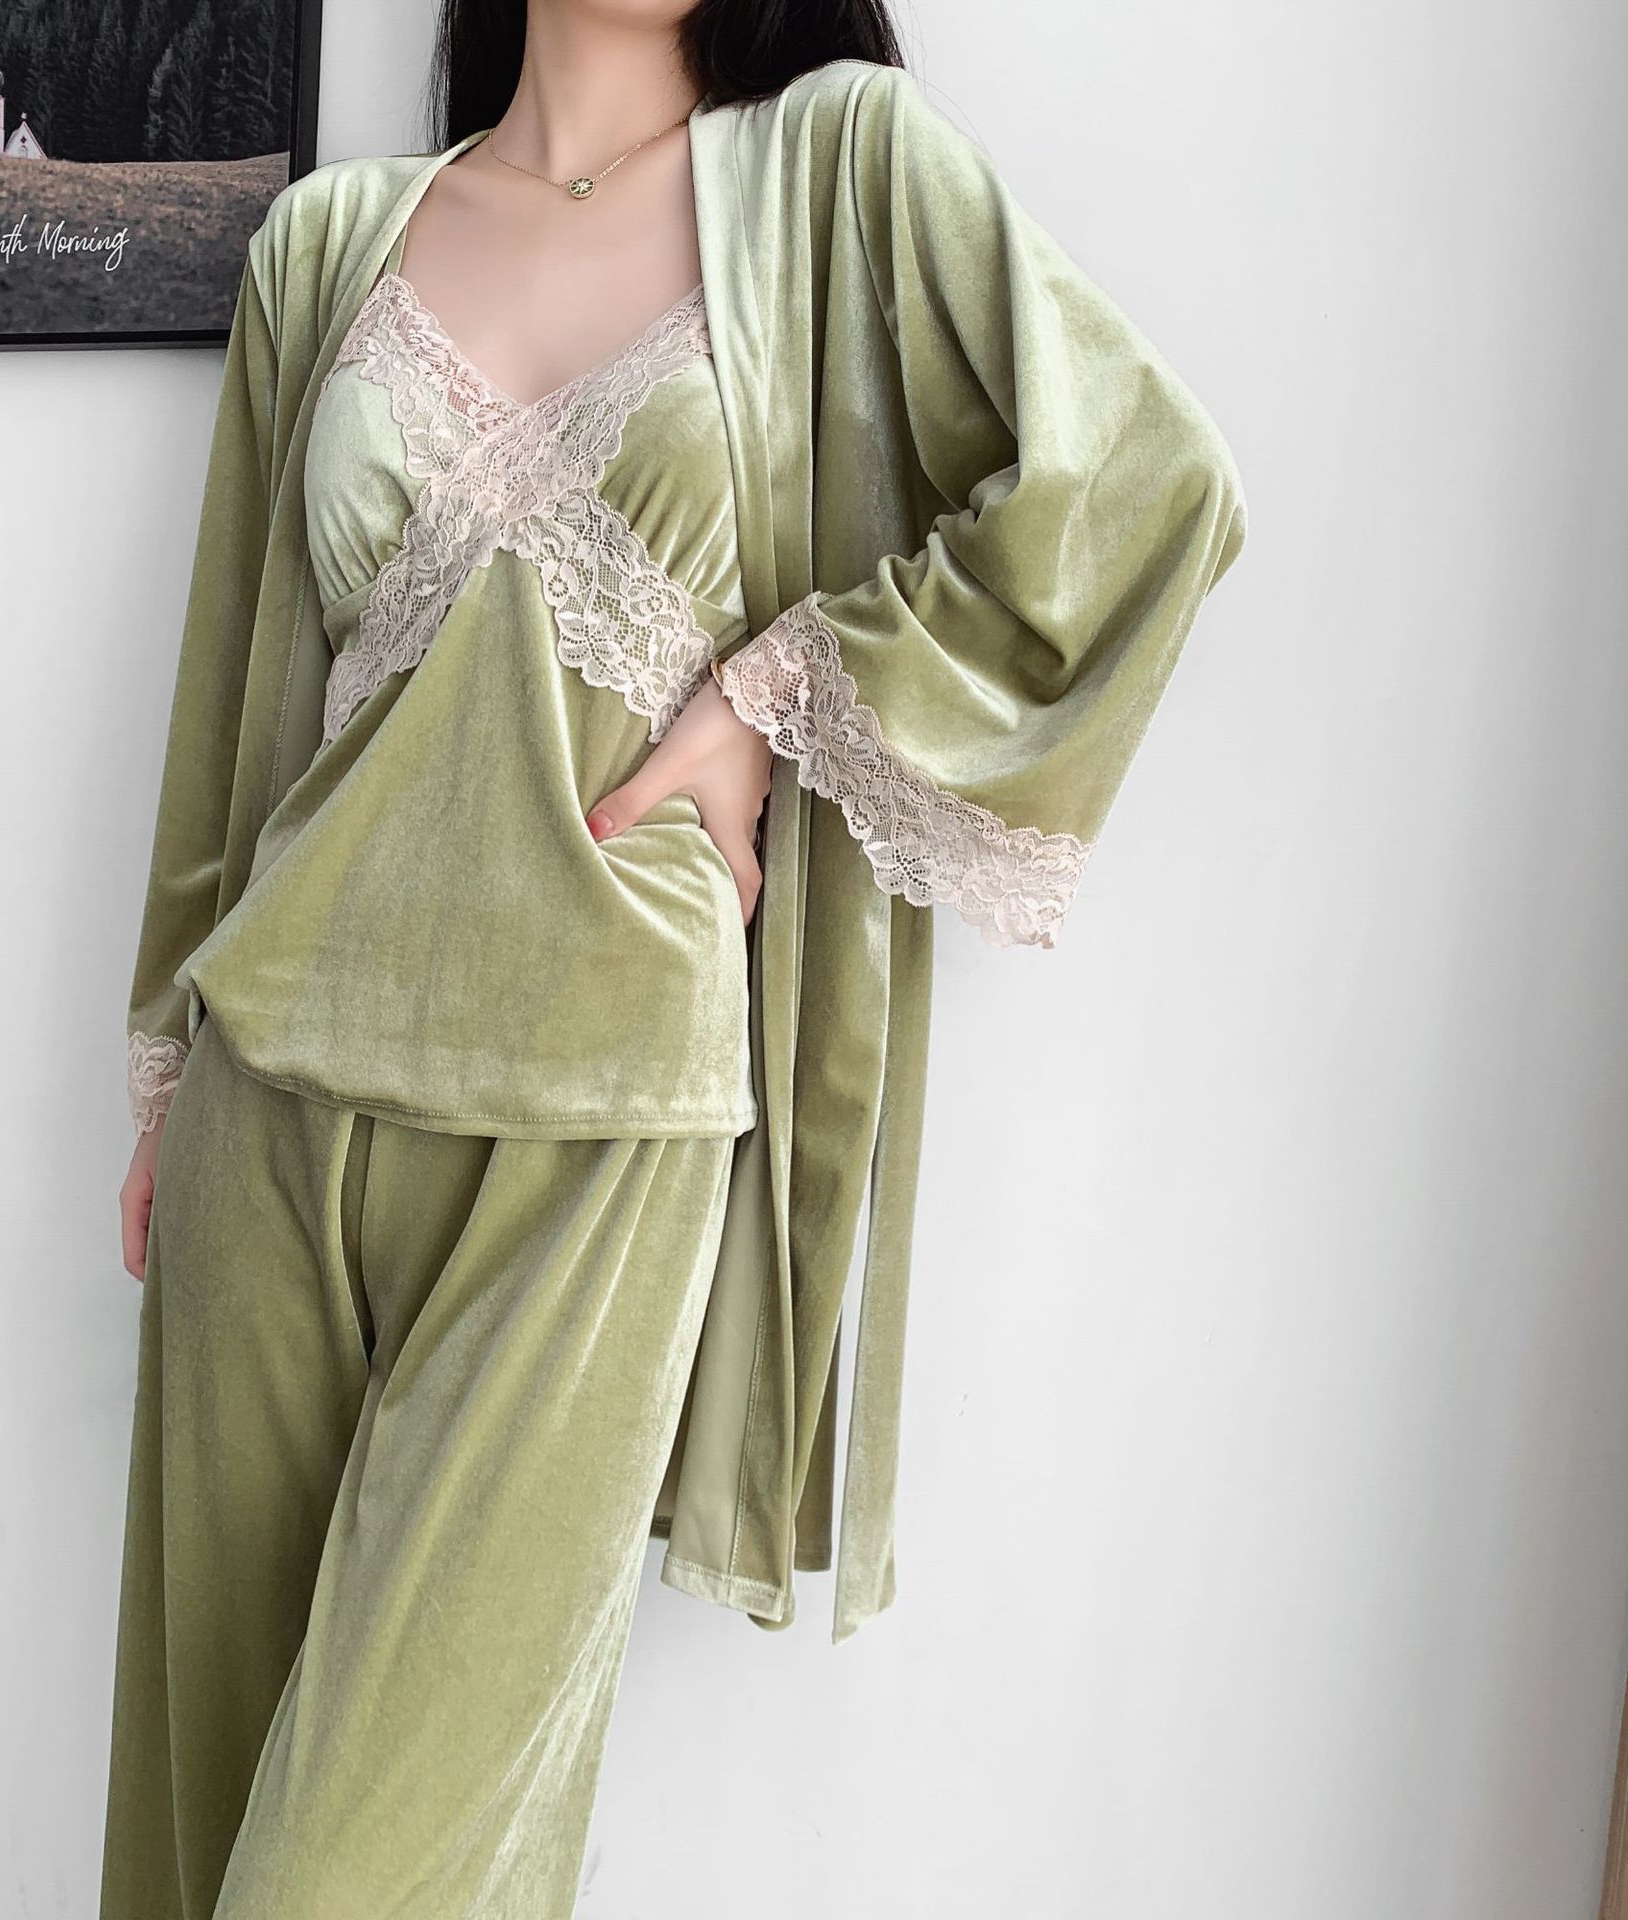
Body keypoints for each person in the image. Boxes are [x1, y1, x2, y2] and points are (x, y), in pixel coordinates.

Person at [99, 3, 1249, 1915]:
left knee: (354, 1881)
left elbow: (1148, 481)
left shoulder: (837, 170)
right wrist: (164, 1065)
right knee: (199, 1825)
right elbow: (240, 703)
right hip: (266, 1102)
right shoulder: (327, 244)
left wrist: (777, 699)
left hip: (597, 1132)